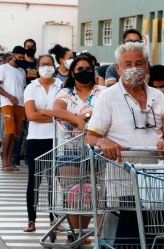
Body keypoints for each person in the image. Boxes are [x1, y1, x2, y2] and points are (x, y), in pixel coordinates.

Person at [85, 42, 164, 248]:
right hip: (123, 181)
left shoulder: (158, 96)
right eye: (127, 64)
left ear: (147, 66)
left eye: (138, 63)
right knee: (130, 240)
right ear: (118, 68)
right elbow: (90, 137)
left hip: (156, 182)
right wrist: (104, 141)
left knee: (159, 240)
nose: (133, 68)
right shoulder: (107, 98)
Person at [50, 55, 106, 243]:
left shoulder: (103, 92)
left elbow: (107, 112)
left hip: (97, 149)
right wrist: (79, 120)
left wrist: (88, 114)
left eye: (87, 68)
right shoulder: (65, 93)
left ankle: (81, 232)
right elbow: (57, 111)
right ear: (72, 73)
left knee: (91, 193)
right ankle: (74, 234)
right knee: (73, 192)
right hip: (70, 149)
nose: (84, 72)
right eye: (79, 69)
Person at [22, 54, 62, 232]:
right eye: (43, 64)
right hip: (35, 139)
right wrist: (53, 115)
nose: (47, 67)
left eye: (49, 64)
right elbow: (31, 115)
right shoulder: (31, 87)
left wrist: (43, 113)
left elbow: (63, 114)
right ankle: (31, 219)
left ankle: (54, 218)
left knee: (54, 180)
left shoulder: (61, 86)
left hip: (56, 139)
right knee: (34, 181)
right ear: (38, 67)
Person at [0, 46, 27, 172]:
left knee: (16, 134)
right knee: (9, 132)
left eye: (23, 58)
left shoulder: (22, 71)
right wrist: (9, 96)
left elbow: (23, 88)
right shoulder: (3, 68)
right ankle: (4, 161)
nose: (21, 59)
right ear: (13, 56)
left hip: (20, 105)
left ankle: (10, 160)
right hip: (7, 104)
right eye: (19, 57)